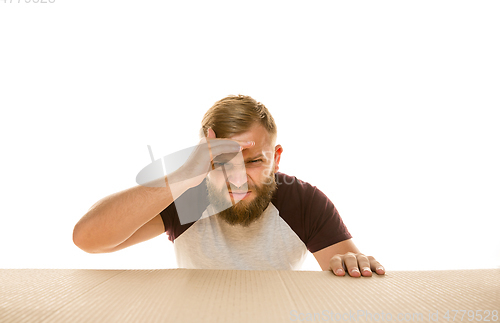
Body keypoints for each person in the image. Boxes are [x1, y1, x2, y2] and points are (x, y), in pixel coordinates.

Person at [73, 95, 385, 277]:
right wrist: (184, 176)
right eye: (223, 164)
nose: (237, 179)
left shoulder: (301, 201)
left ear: (276, 159)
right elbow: (88, 239)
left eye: (254, 161)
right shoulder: (190, 197)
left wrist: (353, 265)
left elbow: (345, 276)